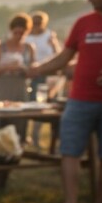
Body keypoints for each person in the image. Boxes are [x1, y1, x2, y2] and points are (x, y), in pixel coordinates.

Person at [29, 0, 102, 203]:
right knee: (70, 150)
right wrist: (37, 70)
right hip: (79, 99)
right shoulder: (83, 23)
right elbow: (64, 57)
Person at [0, 13, 36, 145]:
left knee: (18, 121)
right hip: (0, 90)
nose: (19, 36)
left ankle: (17, 147)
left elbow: (33, 72)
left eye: (22, 33)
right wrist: (6, 68)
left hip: (20, 89)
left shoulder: (29, 48)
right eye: (16, 33)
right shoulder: (0, 48)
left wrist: (23, 69)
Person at [26, 10, 63, 147]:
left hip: (50, 76)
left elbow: (58, 55)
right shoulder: (27, 37)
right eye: (34, 22)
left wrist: (54, 44)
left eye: (39, 23)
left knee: (50, 106)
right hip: (34, 76)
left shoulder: (49, 36)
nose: (37, 25)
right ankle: (31, 136)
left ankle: (48, 139)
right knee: (34, 105)